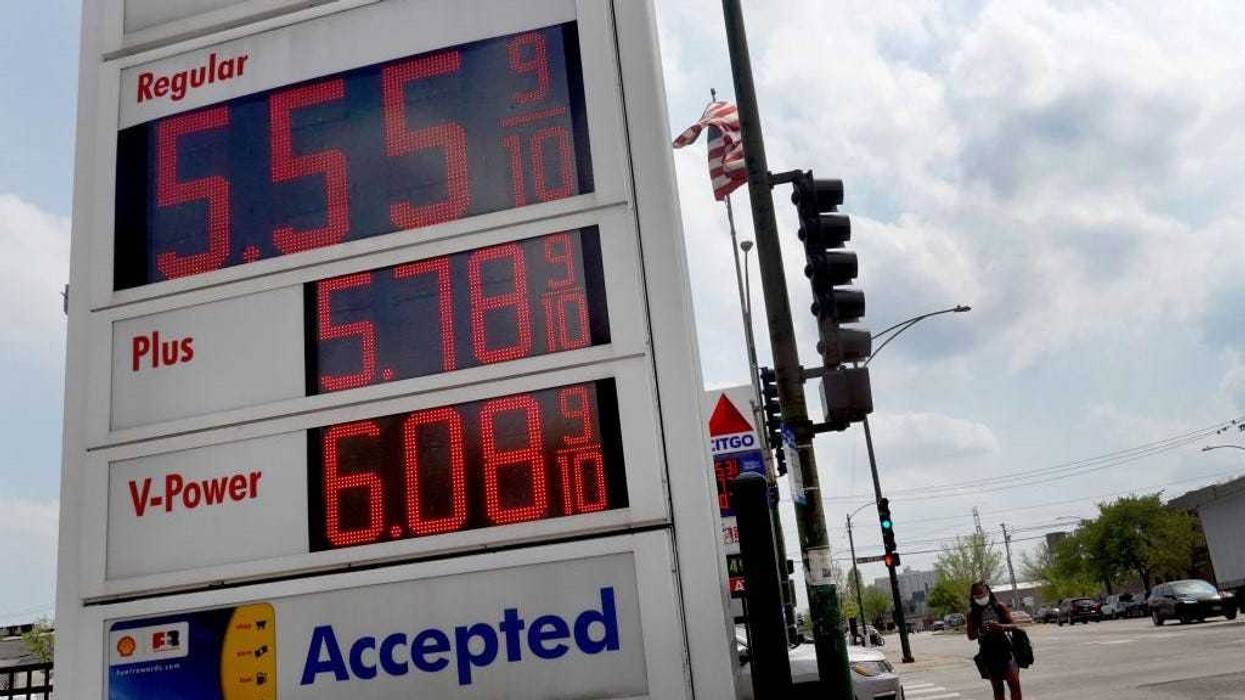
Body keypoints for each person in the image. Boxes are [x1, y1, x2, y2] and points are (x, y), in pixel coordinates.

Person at [966, 581, 1023, 700]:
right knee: (998, 689)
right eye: (977, 596)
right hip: (988, 652)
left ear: (988, 592)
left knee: (1014, 683)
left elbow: (1014, 625)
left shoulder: (999, 607)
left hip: (1005, 649)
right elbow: (970, 635)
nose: (980, 598)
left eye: (982, 594)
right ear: (973, 597)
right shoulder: (972, 613)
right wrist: (982, 630)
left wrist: (1000, 627)